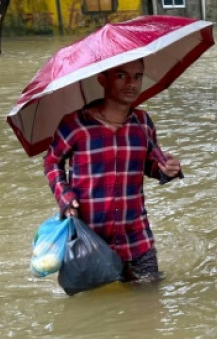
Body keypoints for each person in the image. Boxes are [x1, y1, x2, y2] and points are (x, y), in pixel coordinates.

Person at [43, 59, 182, 283]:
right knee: (94, 310)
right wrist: (65, 197)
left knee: (150, 306)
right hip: (91, 240)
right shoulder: (76, 124)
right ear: (102, 80)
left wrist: (168, 170)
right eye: (121, 76)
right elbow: (51, 162)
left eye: (137, 77)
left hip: (137, 239)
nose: (132, 84)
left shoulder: (143, 123)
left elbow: (150, 165)